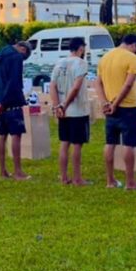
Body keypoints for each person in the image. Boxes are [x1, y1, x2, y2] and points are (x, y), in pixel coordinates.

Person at [95, 33, 136, 191]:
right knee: (129, 144)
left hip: (109, 106)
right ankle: (130, 182)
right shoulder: (132, 58)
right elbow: (128, 84)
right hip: (128, 107)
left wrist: (105, 102)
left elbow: (97, 83)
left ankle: (110, 180)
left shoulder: (105, 58)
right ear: (133, 45)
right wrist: (116, 103)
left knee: (110, 143)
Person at [0, 40, 33, 180]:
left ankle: (2, 171)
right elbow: (14, 81)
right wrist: (5, 101)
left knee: (2, 135)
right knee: (16, 134)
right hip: (11, 101)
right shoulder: (16, 57)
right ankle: (18, 171)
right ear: (22, 49)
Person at [50, 37, 90, 186]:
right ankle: (77, 178)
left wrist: (57, 106)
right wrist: (65, 105)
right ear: (81, 49)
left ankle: (63, 176)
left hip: (62, 110)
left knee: (64, 143)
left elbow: (52, 86)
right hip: (77, 110)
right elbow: (76, 87)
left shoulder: (59, 63)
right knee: (77, 144)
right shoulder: (81, 63)